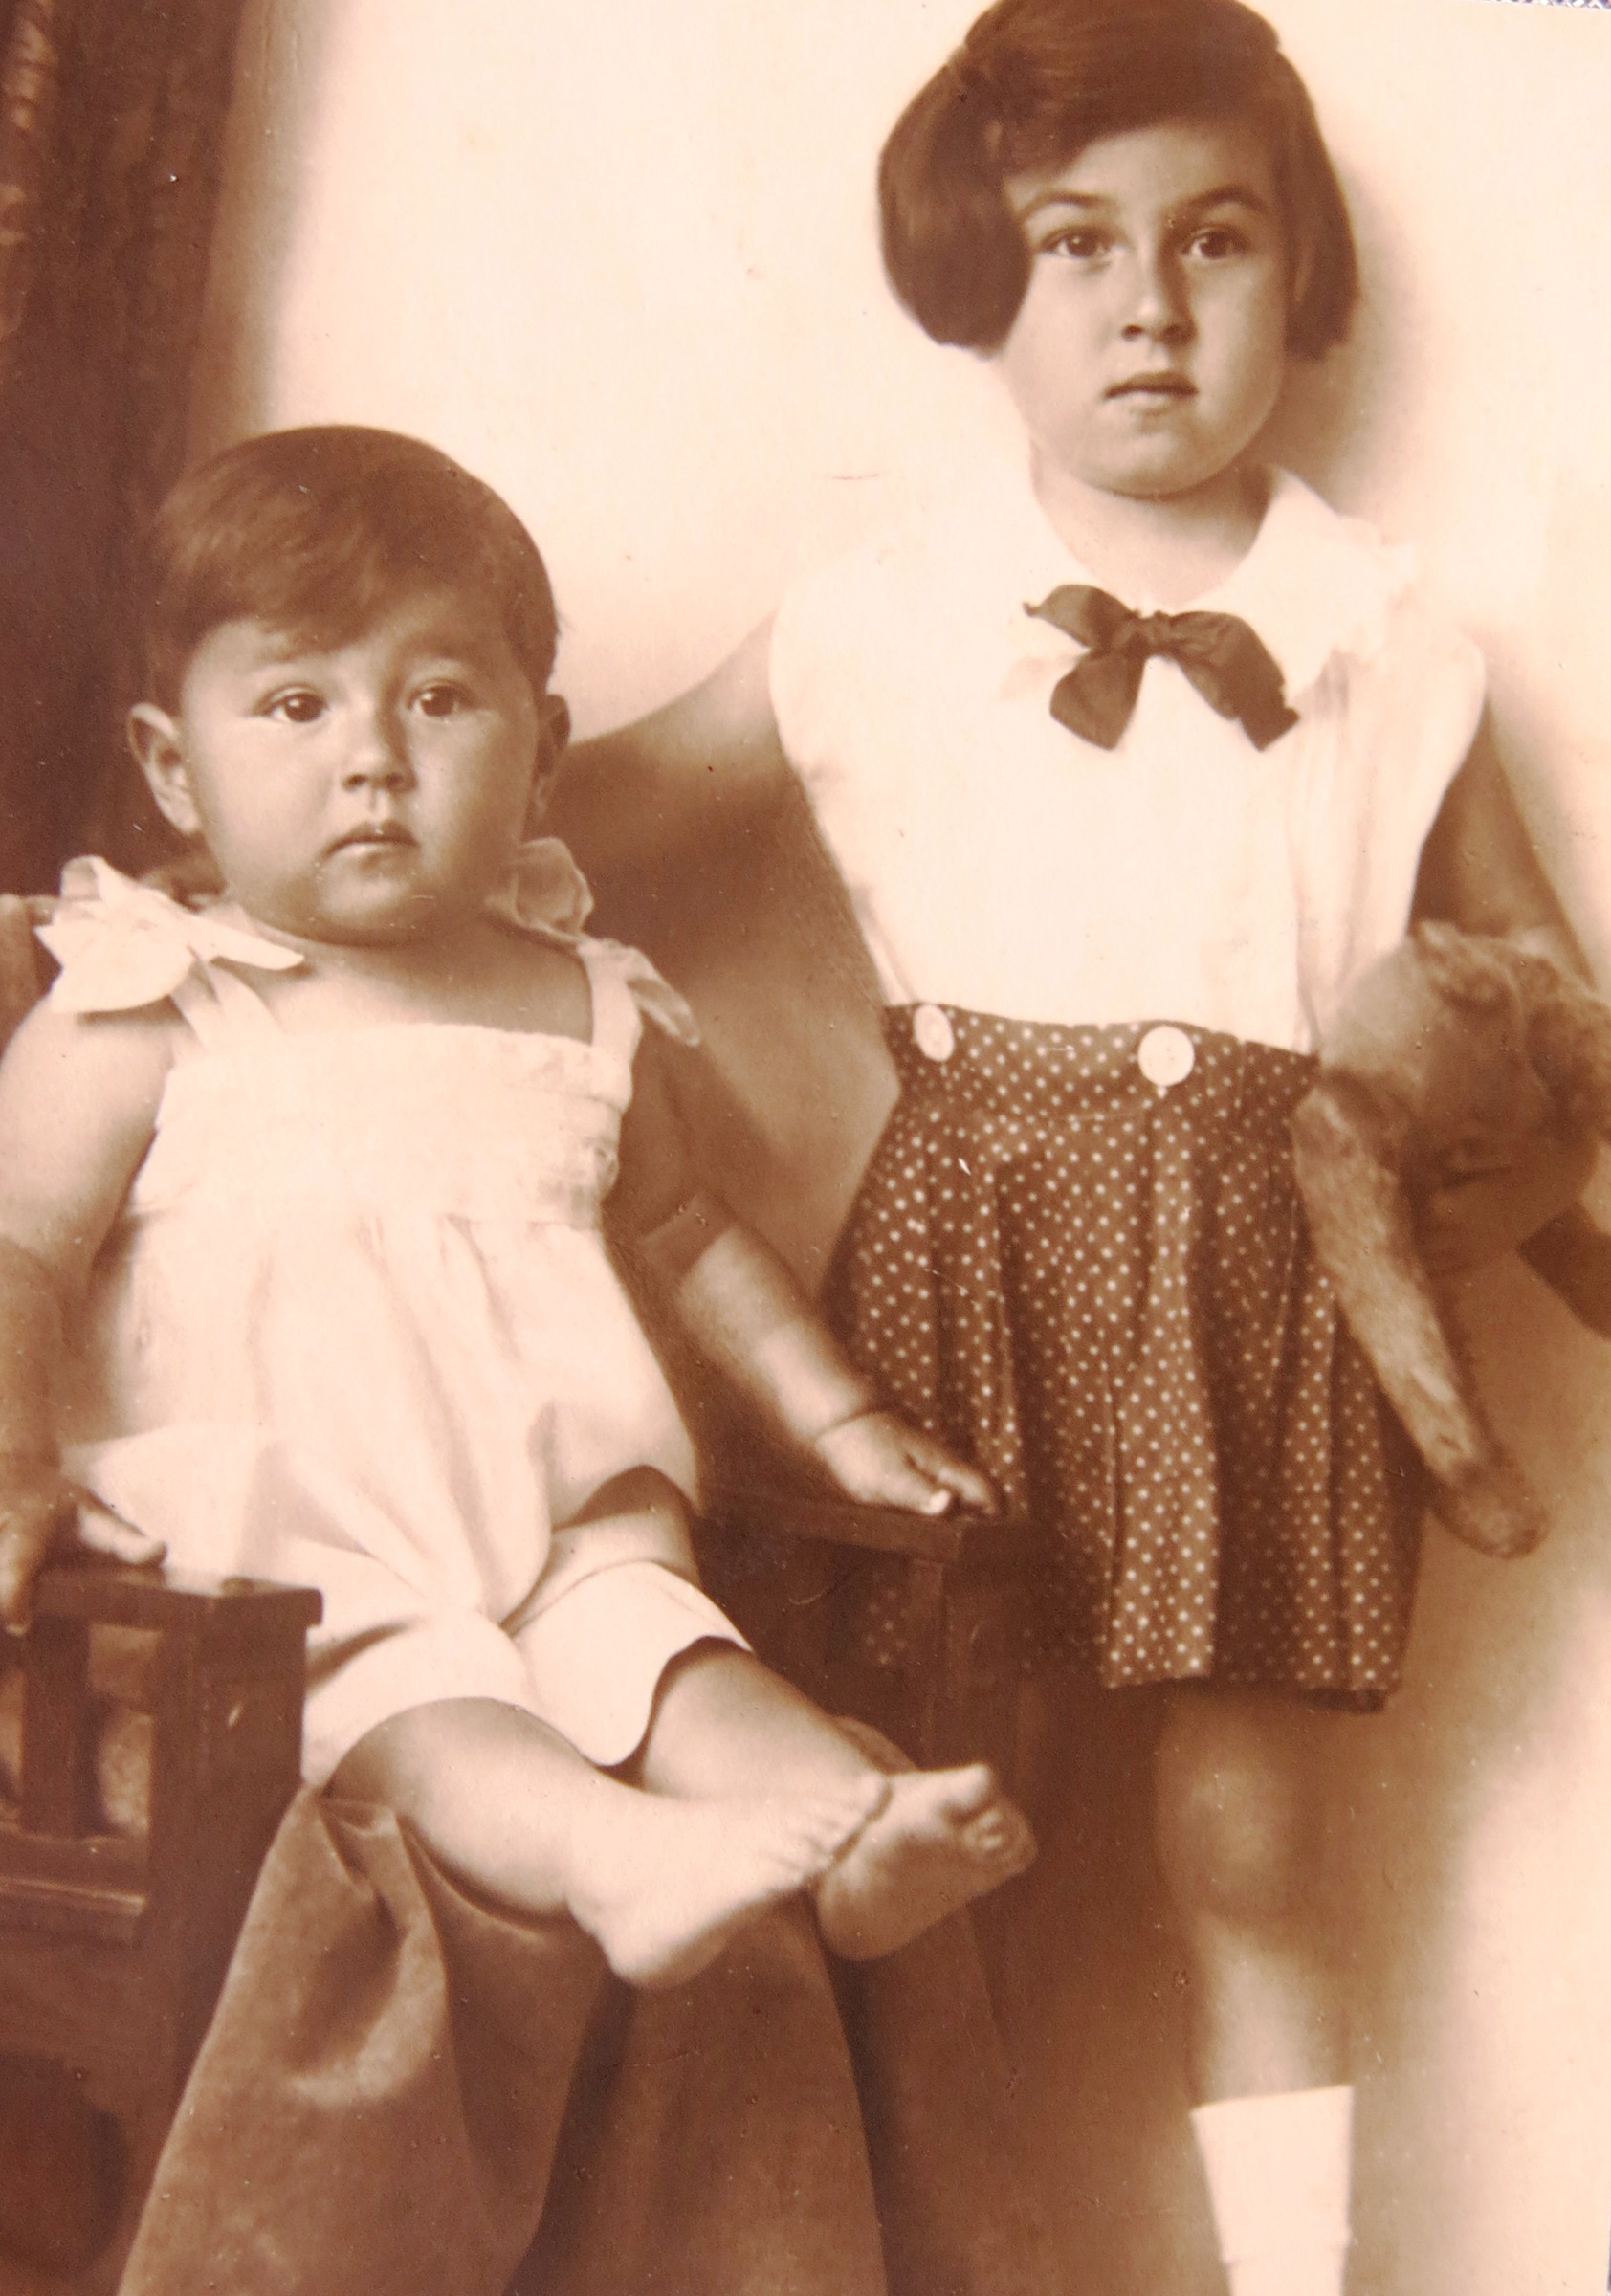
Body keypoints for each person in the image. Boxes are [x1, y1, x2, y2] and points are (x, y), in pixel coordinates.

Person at [549, 2, 1589, 2288]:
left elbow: (1544, 1008)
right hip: (964, 1264)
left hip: (1267, 1288)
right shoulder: (882, 609)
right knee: (933, 1825)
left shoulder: (1387, 640)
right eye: (1074, 245)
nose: (1147, 307)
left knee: (1248, 1844)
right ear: (976, 284)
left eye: (1213, 241)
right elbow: (606, 811)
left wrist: (1506, 1141)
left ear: (1298, 278)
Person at [0, 423, 1037, 1994]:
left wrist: (839, 1419)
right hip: (288, 1555)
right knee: (429, 1704)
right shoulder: (154, 999)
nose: (373, 757)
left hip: (552, 1523)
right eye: (296, 704)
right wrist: (11, 1465)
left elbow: (690, 1236)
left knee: (672, 1654)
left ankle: (851, 1830)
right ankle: (618, 1862)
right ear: (170, 768)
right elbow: (17, 1248)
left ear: (543, 752)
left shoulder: (585, 1002)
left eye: (437, 698)